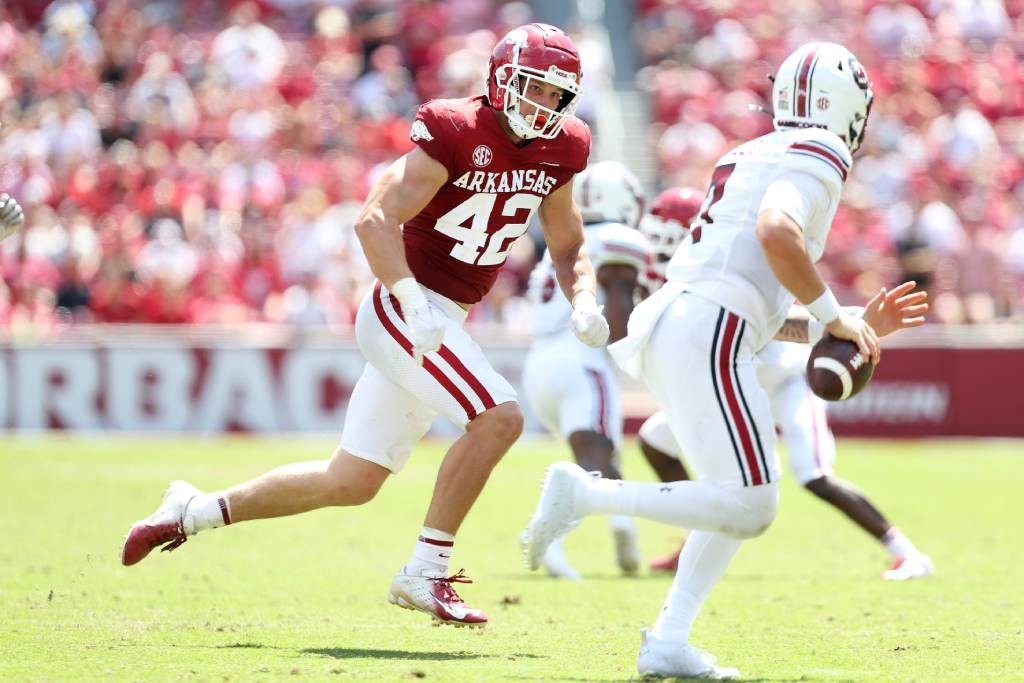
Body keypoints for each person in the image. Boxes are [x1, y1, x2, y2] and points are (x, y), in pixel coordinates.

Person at [121, 23, 608, 629]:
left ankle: (191, 511)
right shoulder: (456, 127)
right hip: (404, 304)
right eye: (534, 87)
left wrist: (584, 298)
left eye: (557, 94)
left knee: (350, 480)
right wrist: (410, 299)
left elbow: (567, 243)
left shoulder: (563, 146)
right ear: (502, 78)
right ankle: (426, 570)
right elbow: (374, 219)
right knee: (500, 418)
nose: (545, 105)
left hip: (444, 314)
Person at [521, 42, 929, 678]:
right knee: (752, 505)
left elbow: (754, 294)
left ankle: (668, 640)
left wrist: (852, 322)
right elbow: (776, 231)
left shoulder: (753, 151)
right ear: (843, 102)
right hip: (709, 330)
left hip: (692, 324)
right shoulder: (820, 151)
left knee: (729, 496)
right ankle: (585, 494)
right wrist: (832, 316)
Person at [638, 188, 933, 581]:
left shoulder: (727, 271)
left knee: (813, 474)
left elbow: (784, 323)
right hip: (737, 385)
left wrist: (856, 320)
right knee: (654, 440)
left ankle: (908, 554)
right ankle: (698, 540)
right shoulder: (677, 280)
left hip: (787, 380)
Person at [522, 160, 649, 580]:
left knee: (597, 453)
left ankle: (623, 530)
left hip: (539, 363)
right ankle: (554, 537)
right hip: (580, 361)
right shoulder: (618, 239)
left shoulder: (565, 236)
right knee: (593, 458)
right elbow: (620, 317)